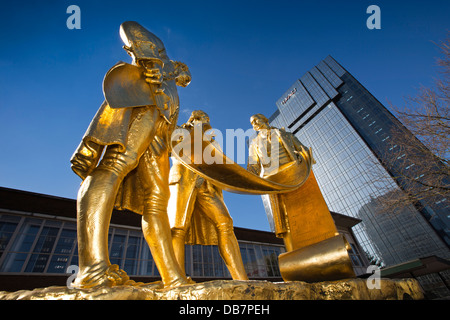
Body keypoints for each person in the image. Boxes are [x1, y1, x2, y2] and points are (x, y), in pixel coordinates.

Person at [70, 21, 191, 289]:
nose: (185, 77)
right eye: (184, 72)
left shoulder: (171, 74)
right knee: (116, 164)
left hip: (161, 128)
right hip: (144, 102)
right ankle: (92, 269)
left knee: (158, 198)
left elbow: (178, 82)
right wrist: (150, 63)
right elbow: (129, 29)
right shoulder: (157, 49)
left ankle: (174, 279)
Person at [168, 110, 248, 280]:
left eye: (206, 120)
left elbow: (220, 163)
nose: (205, 122)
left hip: (208, 185)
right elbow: (166, 149)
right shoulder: (179, 131)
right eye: (202, 118)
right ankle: (177, 281)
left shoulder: (211, 139)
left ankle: (242, 279)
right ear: (194, 119)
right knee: (178, 227)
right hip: (183, 178)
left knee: (225, 223)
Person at [247, 113, 313, 251]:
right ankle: (295, 245)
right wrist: (246, 176)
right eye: (252, 123)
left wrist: (306, 160)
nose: (254, 124)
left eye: (256, 120)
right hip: (274, 180)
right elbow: (253, 164)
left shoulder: (282, 133)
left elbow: (302, 148)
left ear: (264, 119)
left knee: (307, 207)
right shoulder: (254, 143)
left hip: (295, 173)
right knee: (286, 218)